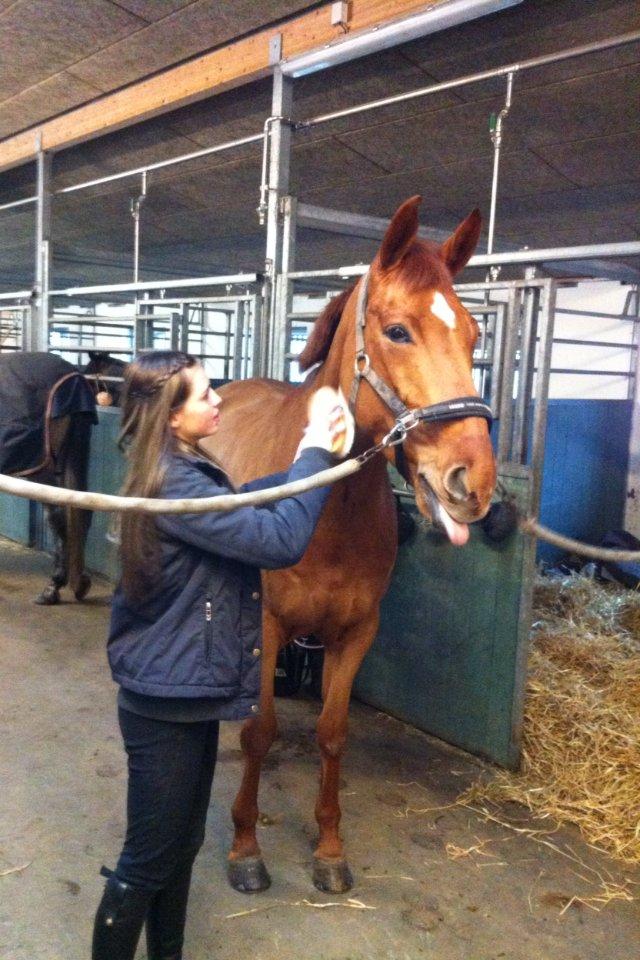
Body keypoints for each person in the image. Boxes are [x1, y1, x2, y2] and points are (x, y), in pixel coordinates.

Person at [91, 350, 351, 960]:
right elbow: (280, 540)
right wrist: (314, 446)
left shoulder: (183, 467)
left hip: (186, 690)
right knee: (147, 858)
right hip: (164, 700)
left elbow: (243, 500)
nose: (219, 402)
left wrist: (312, 470)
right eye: (206, 394)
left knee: (180, 849)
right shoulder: (172, 481)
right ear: (171, 415)